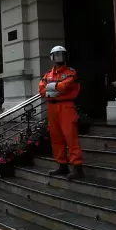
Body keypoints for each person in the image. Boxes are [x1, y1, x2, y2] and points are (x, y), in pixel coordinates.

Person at [40, 45, 83, 179]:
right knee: (56, 138)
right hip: (52, 108)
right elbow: (41, 91)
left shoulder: (70, 72)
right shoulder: (48, 74)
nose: (60, 58)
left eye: (62, 55)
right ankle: (62, 165)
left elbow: (66, 86)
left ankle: (77, 167)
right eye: (57, 55)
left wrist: (52, 88)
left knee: (70, 137)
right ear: (52, 57)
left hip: (66, 107)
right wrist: (57, 89)